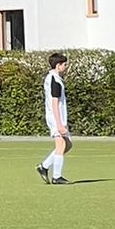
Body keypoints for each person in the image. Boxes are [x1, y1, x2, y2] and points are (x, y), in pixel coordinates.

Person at [38, 53, 73, 185]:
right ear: (58, 65)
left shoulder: (55, 78)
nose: (66, 67)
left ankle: (44, 166)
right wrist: (59, 124)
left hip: (59, 117)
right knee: (61, 145)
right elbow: (54, 103)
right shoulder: (54, 80)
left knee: (67, 145)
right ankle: (56, 176)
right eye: (65, 64)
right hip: (56, 117)